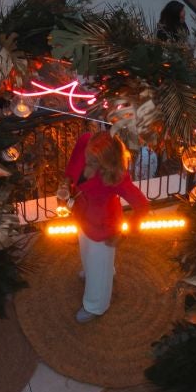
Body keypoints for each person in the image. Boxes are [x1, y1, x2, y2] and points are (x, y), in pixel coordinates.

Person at [65, 131, 152, 323]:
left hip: (103, 228)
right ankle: (97, 272)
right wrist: (66, 182)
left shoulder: (117, 178)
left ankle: (96, 306)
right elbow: (74, 161)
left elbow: (142, 205)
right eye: (88, 156)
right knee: (87, 254)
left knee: (98, 261)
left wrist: (124, 233)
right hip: (81, 216)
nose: (87, 162)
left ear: (106, 164)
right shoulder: (86, 140)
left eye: (94, 162)